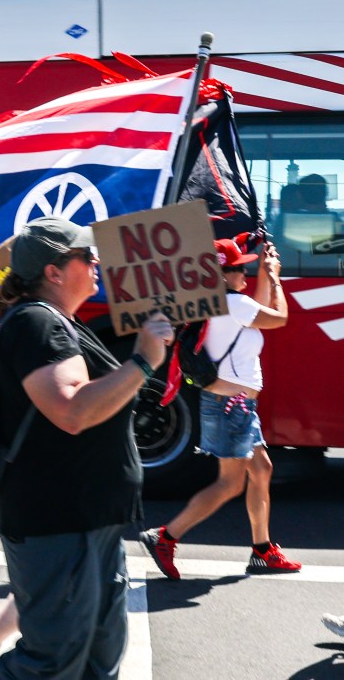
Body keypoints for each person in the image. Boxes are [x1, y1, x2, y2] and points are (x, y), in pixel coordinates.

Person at [0, 217, 173, 678]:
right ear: (53, 272)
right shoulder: (35, 323)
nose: (98, 261)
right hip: (58, 525)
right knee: (52, 663)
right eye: (87, 255)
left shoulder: (63, 323)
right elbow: (72, 411)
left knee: (98, 657)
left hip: (90, 521)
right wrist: (143, 361)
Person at [140, 238, 302, 579]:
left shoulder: (219, 304)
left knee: (261, 470)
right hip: (232, 407)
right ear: (223, 274)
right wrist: (273, 277)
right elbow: (280, 319)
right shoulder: (234, 304)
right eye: (240, 268)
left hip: (234, 405)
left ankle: (262, 549)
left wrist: (263, 275)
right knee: (229, 484)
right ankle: (165, 537)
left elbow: (256, 315)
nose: (245, 273)